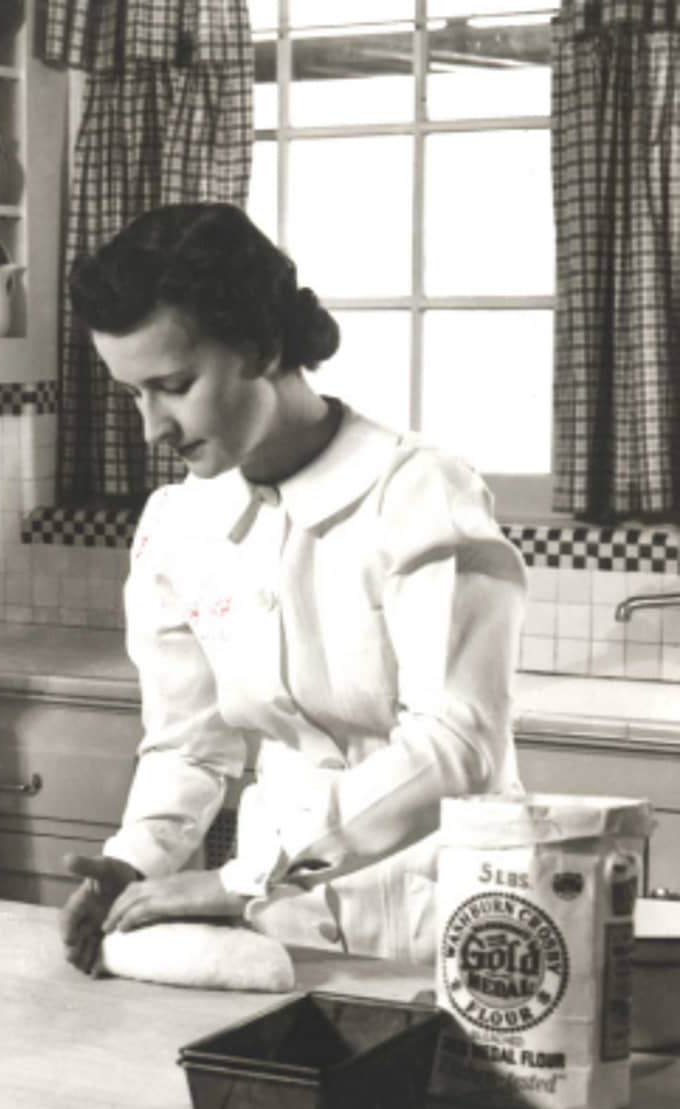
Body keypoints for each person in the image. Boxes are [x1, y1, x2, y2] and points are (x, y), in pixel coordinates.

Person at [57, 203, 526, 971]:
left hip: (449, 919)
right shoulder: (177, 522)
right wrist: (134, 862)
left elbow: (457, 745)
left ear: (262, 345)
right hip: (284, 934)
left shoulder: (418, 495)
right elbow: (189, 743)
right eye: (132, 395)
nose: (153, 429)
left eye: (173, 385)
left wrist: (240, 877)